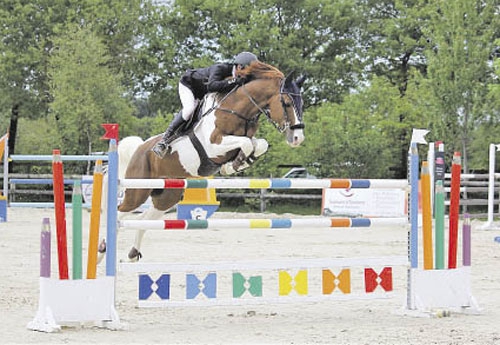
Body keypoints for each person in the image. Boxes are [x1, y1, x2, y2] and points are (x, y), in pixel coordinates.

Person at [152, 51, 259, 158]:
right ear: (239, 67)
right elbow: (212, 86)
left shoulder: (242, 77)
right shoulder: (220, 69)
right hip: (189, 85)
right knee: (189, 109)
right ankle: (164, 141)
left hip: (204, 95)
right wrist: (234, 81)